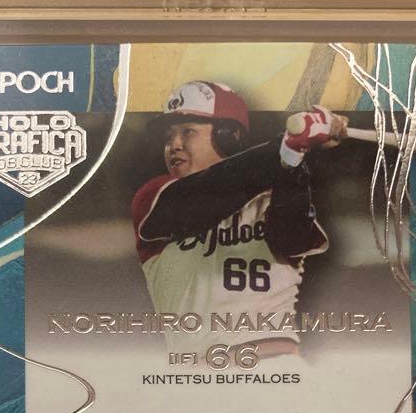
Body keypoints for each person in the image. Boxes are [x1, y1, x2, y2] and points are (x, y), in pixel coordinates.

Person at [131, 80, 346, 361]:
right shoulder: (156, 195)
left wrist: (293, 155)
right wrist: (287, 146)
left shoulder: (276, 191)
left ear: (227, 137)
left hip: (274, 365)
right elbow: (201, 197)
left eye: (187, 131)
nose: (174, 145)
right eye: (168, 137)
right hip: (196, 372)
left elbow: (293, 240)